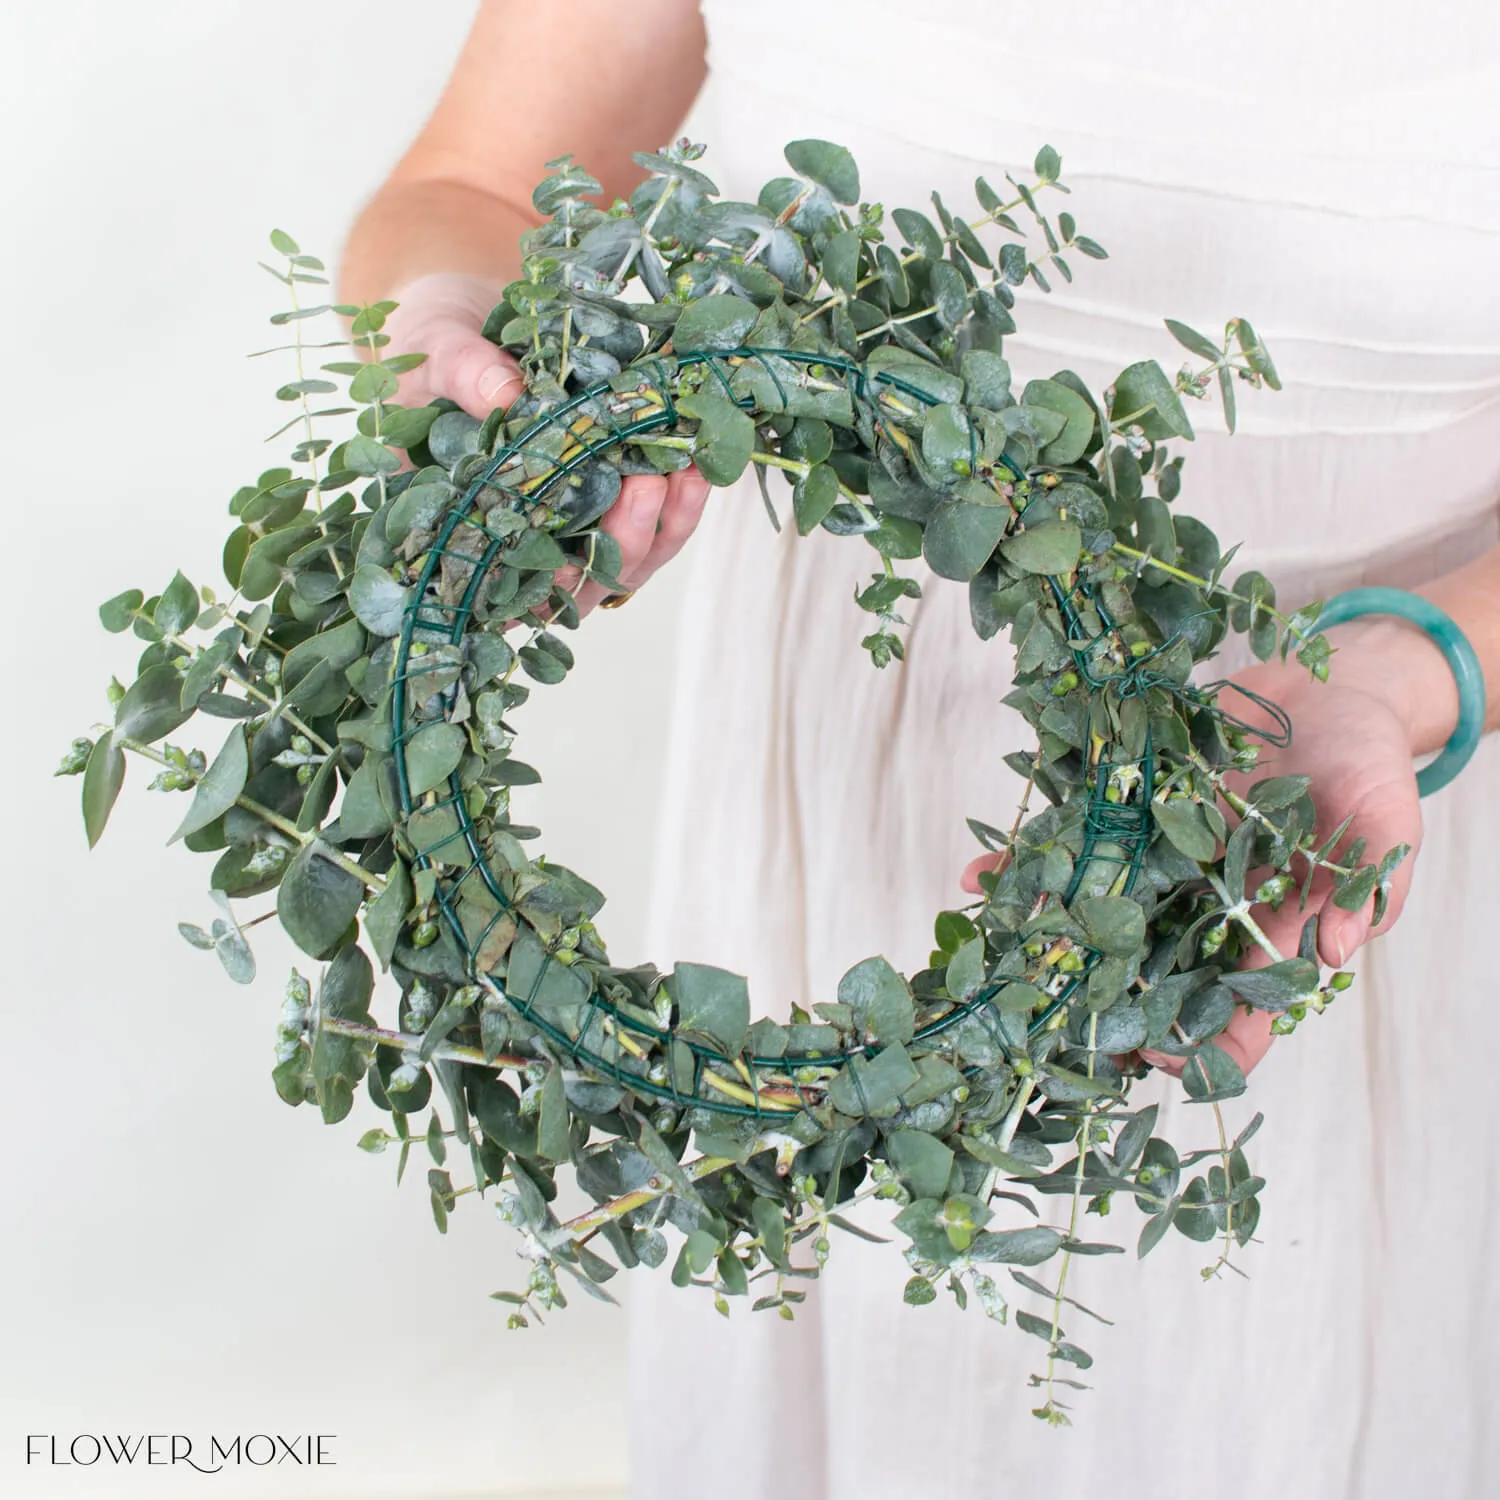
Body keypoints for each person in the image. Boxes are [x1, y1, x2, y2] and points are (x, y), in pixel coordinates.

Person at [339, 3, 1500, 1495]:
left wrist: (1405, 671)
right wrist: (467, 344)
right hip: (827, 810)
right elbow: (478, 186)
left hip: (1318, 816)